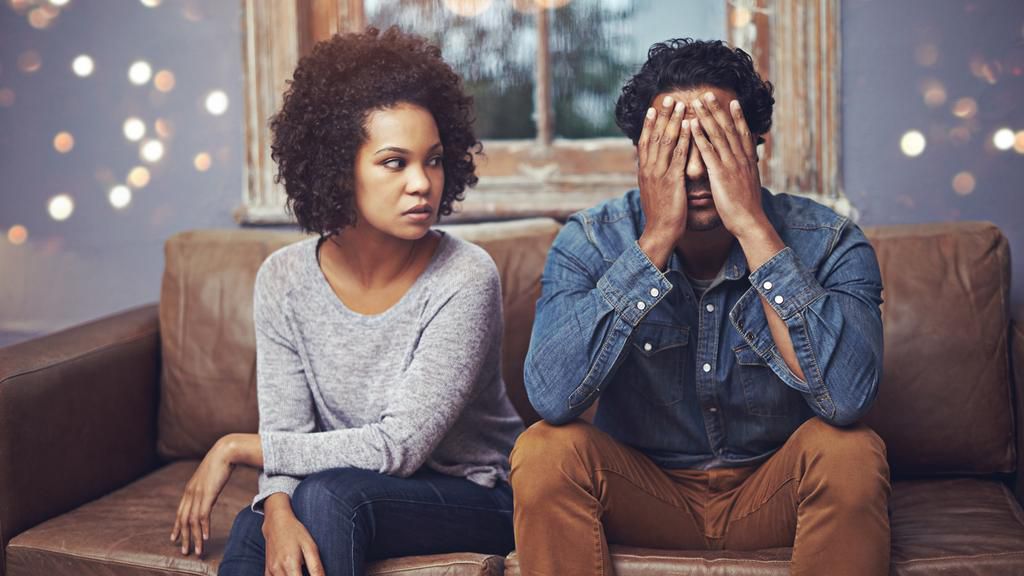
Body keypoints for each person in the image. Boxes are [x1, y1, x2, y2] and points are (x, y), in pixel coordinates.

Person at [511, 38, 889, 576]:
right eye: (673, 147)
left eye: (714, 144)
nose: (692, 170)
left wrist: (753, 229)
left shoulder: (829, 242)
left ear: (754, 147)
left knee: (850, 452)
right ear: (641, 154)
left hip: (776, 492)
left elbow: (847, 402)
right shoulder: (591, 241)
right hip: (644, 495)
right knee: (544, 450)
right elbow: (551, 398)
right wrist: (655, 239)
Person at [169, 27, 523, 576]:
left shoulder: (465, 275)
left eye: (432, 160)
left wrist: (236, 447)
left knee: (330, 496)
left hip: (477, 495)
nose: (422, 183)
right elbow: (290, 433)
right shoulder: (283, 279)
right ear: (338, 167)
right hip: (350, 488)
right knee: (255, 527)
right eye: (394, 162)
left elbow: (398, 446)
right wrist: (276, 511)